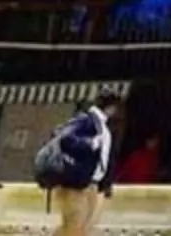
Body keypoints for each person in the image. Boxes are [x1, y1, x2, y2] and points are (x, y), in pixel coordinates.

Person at [53, 89, 121, 236]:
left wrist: (105, 184)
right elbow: (65, 138)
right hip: (77, 184)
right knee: (73, 228)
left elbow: (105, 158)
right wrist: (91, 143)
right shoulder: (86, 120)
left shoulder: (102, 126)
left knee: (79, 229)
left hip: (91, 184)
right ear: (111, 108)